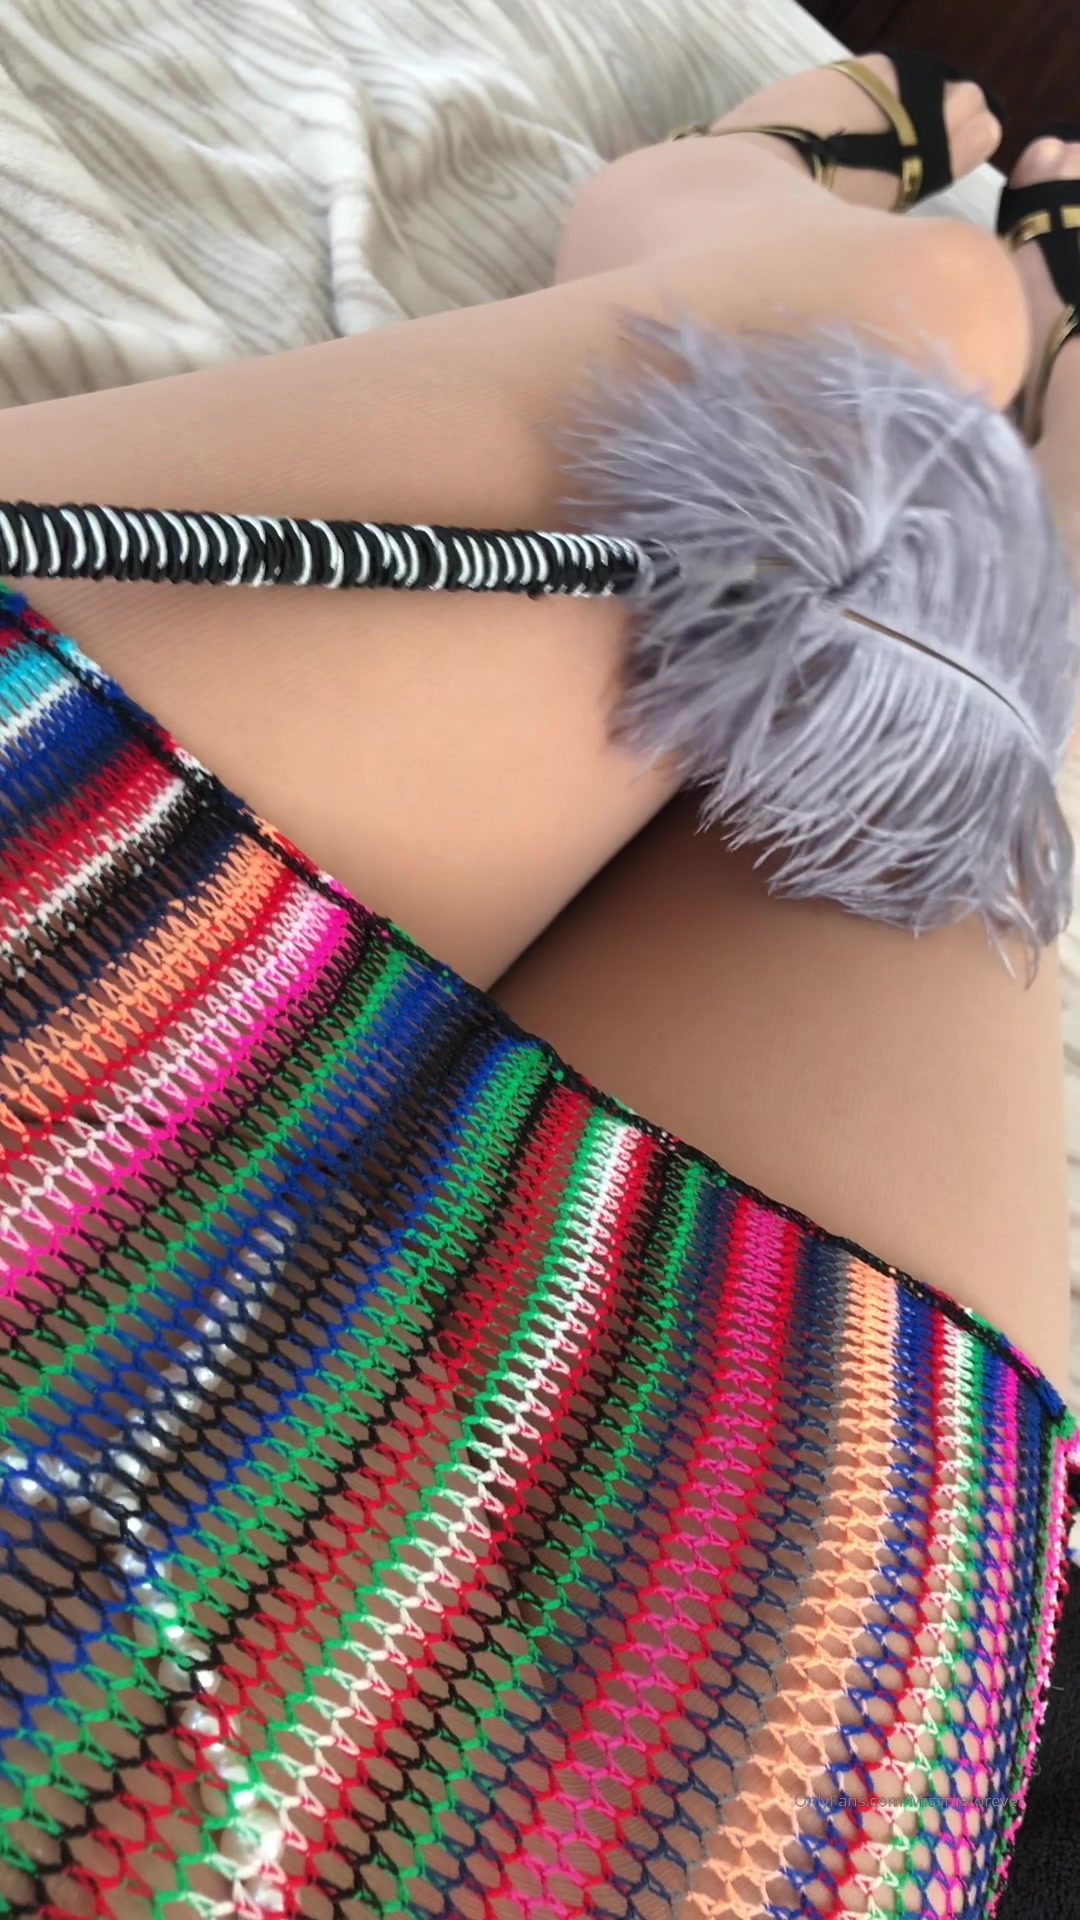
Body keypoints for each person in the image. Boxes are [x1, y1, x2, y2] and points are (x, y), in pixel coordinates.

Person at [0, 51, 1076, 1920]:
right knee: (958, 649)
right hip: (609, 1778)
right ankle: (1032, 460)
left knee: (915, 330)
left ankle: (801, 260)